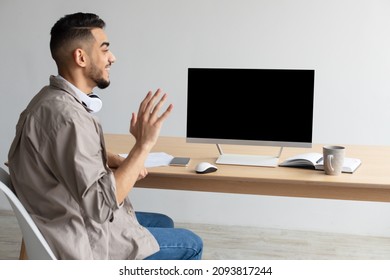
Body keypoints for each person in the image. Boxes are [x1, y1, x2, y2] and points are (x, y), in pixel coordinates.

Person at [7, 12, 203, 260]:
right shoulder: (70, 118)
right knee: (191, 244)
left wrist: (112, 158)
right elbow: (100, 206)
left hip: (61, 219)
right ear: (81, 57)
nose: (112, 58)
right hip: (81, 239)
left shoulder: (46, 101)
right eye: (104, 50)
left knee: (163, 221)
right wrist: (143, 145)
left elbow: (61, 159)